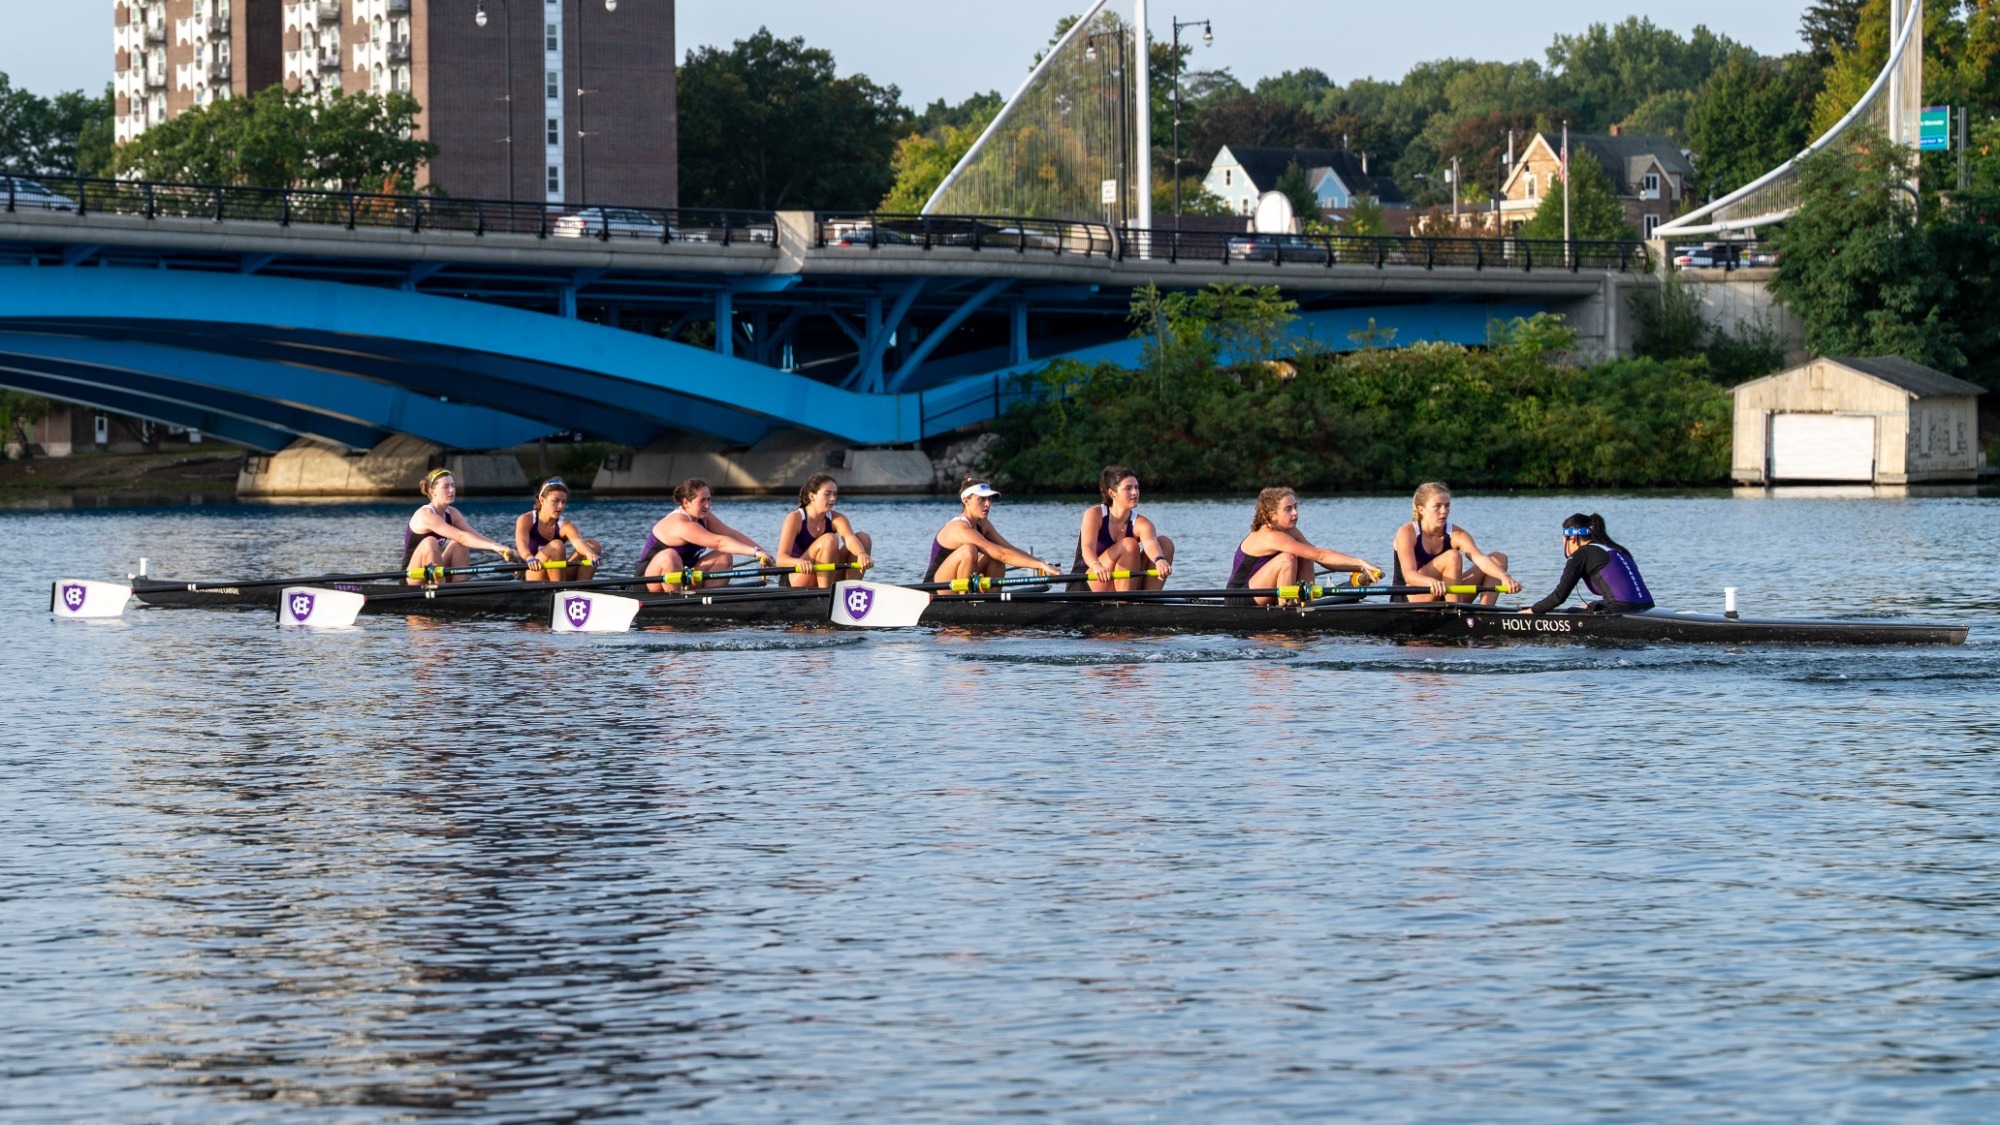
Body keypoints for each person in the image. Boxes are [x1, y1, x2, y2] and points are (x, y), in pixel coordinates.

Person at [1225, 487, 1383, 606]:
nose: (1295, 513)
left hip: (1263, 592)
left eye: (1296, 507)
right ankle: (1286, 607)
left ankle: (1305, 604)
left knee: (1306, 554)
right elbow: (1321, 555)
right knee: (1287, 558)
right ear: (1272, 516)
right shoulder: (1268, 535)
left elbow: (1320, 557)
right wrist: (1361, 562)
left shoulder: (1291, 532)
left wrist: (1360, 569)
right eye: (1288, 509)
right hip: (1238, 597)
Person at [1390, 481, 1520, 606]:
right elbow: (1409, 575)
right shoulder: (1407, 532)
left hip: (1444, 592)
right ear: (1421, 509)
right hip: (1409, 596)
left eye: (1447, 505)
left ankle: (1486, 612)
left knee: (1498, 559)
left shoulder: (1457, 534)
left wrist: (1504, 576)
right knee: (1452, 556)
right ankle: (1455, 612)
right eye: (1437, 506)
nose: (1444, 511)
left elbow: (1480, 559)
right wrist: (1430, 581)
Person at [924, 477, 1065, 591]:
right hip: (935, 588)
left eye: (989, 499)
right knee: (969, 550)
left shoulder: (983, 524)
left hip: (957, 581)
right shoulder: (959, 528)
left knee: (995, 557)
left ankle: (990, 603)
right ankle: (965, 600)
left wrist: (1042, 564)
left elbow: (1008, 550)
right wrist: (1041, 566)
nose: (987, 504)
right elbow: (1002, 554)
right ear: (966, 501)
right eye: (981, 499)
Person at [638, 478, 772, 592]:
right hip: (649, 581)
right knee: (669, 556)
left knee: (723, 556)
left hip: (686, 576)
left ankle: (711, 601)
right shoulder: (679, 523)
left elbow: (729, 533)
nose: (707, 505)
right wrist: (754, 552)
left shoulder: (704, 517)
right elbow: (719, 542)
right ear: (686, 503)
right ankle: (677, 602)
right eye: (701, 501)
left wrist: (763, 553)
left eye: (709, 499)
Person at [403, 467, 519, 584]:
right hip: (411, 577)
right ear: (432, 492)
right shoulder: (425, 514)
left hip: (432, 571)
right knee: (430, 542)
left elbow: (474, 536)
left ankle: (460, 586)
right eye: (446, 487)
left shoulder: (453, 513)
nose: (451, 490)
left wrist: (500, 549)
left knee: (459, 544)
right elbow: (462, 536)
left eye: (453, 485)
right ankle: (441, 590)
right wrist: (495, 547)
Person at [1523, 513, 1655, 616]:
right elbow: (1624, 593)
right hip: (1648, 607)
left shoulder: (1582, 554)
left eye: (1562, 540)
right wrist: (1595, 605)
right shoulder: (1615, 550)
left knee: (1570, 612)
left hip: (1622, 610)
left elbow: (1559, 597)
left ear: (1572, 538)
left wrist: (1534, 610)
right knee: (1589, 607)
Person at [1071, 466, 1174, 592]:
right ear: (1112, 493)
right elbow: (1087, 548)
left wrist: (1159, 559)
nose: (1135, 492)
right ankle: (1125, 601)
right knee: (1129, 544)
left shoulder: (1143, 523)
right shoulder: (1094, 514)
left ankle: (1148, 599)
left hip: (1121, 583)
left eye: (1136, 487)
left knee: (1165, 543)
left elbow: (1150, 543)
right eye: (1128, 488)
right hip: (1087, 581)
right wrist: (1096, 565)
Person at [776, 473, 874, 589]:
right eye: (827, 494)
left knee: (863, 539)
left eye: (835, 494)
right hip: (797, 577)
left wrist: (861, 554)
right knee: (830, 539)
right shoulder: (795, 518)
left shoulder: (837, 518)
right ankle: (825, 594)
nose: (833, 498)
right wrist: (798, 562)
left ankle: (851, 591)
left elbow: (849, 539)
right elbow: (780, 560)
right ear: (812, 496)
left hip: (825, 572)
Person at [513, 477, 601, 584]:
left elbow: (578, 542)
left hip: (555, 573)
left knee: (593, 545)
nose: (560, 506)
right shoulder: (526, 519)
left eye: (563, 502)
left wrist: (590, 553)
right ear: (542, 500)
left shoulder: (566, 526)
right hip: (531, 572)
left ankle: (582, 588)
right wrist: (529, 557)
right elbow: (521, 543)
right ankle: (559, 589)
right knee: (557, 545)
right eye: (555, 501)